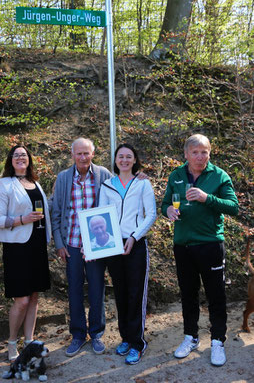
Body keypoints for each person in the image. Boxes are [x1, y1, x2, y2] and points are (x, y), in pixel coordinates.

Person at [161, 134, 238, 367]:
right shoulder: (176, 175)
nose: (199, 156)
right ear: (186, 154)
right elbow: (165, 203)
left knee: (216, 295)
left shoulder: (219, 175)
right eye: (195, 152)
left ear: (209, 153)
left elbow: (233, 207)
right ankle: (191, 337)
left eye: (204, 151)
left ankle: (217, 341)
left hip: (210, 244)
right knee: (188, 294)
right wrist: (168, 212)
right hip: (183, 244)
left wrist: (208, 198)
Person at [51, 137, 113, 357]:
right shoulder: (63, 178)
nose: (83, 157)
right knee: (75, 290)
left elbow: (116, 202)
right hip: (72, 245)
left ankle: (96, 333)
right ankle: (78, 334)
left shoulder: (104, 174)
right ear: (72, 155)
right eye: (79, 153)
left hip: (96, 244)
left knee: (97, 289)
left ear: (93, 154)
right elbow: (56, 212)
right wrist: (59, 243)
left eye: (87, 153)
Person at [99, 143, 156, 365]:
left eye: (128, 156)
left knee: (136, 293)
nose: (124, 160)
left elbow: (150, 215)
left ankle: (138, 342)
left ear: (134, 160)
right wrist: (107, 242)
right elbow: (102, 215)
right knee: (120, 292)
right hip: (113, 245)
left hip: (136, 244)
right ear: (115, 160)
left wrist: (134, 237)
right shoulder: (107, 185)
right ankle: (125, 337)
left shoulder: (142, 183)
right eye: (120, 156)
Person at [0, 145, 51, 361]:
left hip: (37, 245)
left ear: (29, 160)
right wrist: (21, 220)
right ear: (10, 160)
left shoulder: (35, 182)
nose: (20, 158)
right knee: (22, 300)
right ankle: (11, 342)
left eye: (24, 155)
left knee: (34, 296)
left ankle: (29, 341)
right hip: (17, 248)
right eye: (16, 155)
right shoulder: (4, 184)